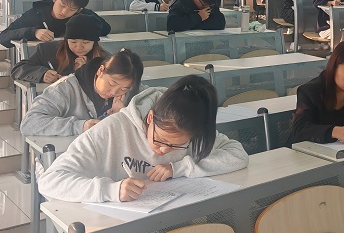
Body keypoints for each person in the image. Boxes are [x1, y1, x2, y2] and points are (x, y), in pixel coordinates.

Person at [37, 75, 248, 203]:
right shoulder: (110, 130)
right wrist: (110, 190)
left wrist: (179, 168)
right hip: (109, 223)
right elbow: (50, 181)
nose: (164, 151)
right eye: (160, 140)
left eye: (176, 145)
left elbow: (238, 155)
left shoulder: (189, 126)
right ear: (150, 118)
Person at [20, 49, 143, 137]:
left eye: (123, 89)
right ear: (100, 70)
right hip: (64, 158)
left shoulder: (131, 91)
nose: (114, 92)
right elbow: (29, 123)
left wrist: (123, 114)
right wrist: (80, 126)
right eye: (112, 83)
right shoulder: (65, 88)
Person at [0, 0, 110, 47]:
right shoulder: (36, 13)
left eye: (72, 9)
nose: (64, 12)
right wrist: (34, 32)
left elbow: (105, 29)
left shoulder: (83, 15)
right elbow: (3, 37)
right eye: (62, 5)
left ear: (78, 10)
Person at [12, 14, 109, 84]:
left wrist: (85, 72)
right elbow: (18, 69)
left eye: (86, 42)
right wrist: (42, 74)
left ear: (95, 43)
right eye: (73, 42)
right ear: (66, 40)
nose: (79, 47)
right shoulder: (47, 50)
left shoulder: (104, 59)